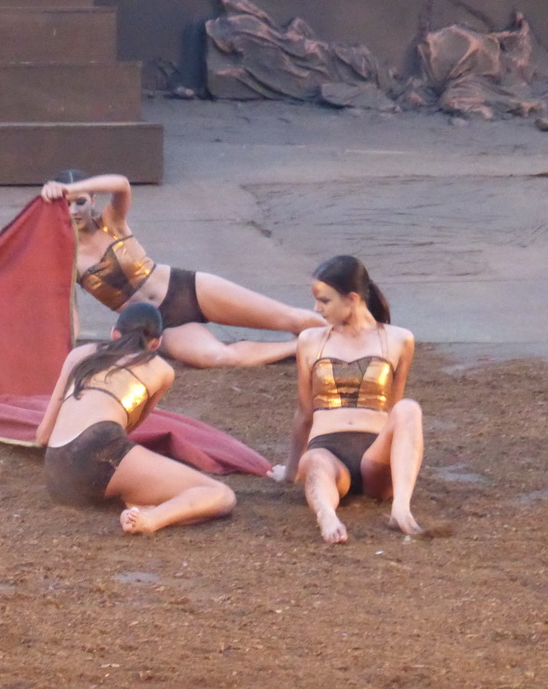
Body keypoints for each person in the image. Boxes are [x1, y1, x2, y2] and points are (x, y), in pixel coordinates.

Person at [40, 171, 324, 367]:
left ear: (92, 200)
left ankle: (364, 334)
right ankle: (306, 345)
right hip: (158, 323)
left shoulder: (111, 221)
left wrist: (70, 188)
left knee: (295, 319)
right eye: (66, 205)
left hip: (187, 289)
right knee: (218, 359)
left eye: (79, 201)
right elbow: (68, 308)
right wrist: (68, 353)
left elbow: (122, 184)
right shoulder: (68, 257)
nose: (74, 210)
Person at [37, 302, 237, 534]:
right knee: (220, 495)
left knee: (133, 477)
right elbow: (130, 426)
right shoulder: (161, 369)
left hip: (58, 476)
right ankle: (151, 518)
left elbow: (43, 435)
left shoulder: (78, 355)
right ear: (157, 343)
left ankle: (139, 500)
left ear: (114, 333)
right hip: (101, 448)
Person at [268, 255, 424, 544]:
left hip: (374, 458)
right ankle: (327, 515)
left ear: (352, 299)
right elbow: (304, 412)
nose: (316, 309)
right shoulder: (310, 341)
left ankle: (401, 507)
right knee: (312, 461)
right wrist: (290, 471)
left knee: (409, 408)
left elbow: (394, 410)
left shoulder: (400, 339)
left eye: (324, 301)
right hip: (328, 452)